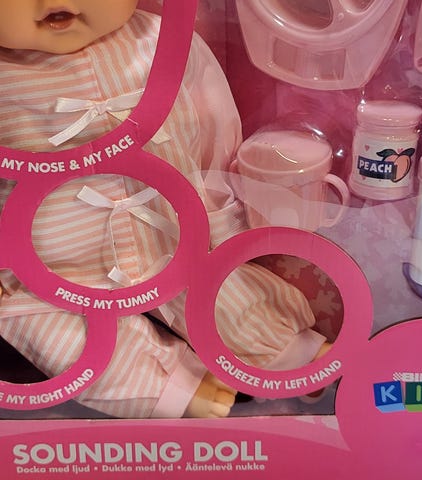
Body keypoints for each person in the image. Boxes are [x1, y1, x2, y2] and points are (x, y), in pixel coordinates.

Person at [0, 0, 330, 419]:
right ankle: (166, 385)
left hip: (171, 236)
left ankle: (289, 350)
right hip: (51, 267)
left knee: (223, 289)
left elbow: (213, 130)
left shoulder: (164, 44)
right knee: (41, 327)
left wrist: (221, 220)